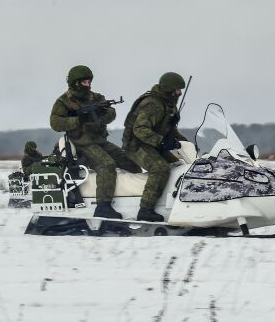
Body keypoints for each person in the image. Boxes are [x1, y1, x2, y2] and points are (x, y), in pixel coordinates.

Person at [50, 65, 141, 219]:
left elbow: (111, 114)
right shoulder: (64, 101)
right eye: (84, 82)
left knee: (130, 162)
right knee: (106, 164)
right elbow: (55, 123)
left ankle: (133, 197)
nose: (88, 84)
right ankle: (103, 207)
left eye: (89, 81)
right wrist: (78, 119)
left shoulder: (96, 98)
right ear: (75, 83)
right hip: (81, 143)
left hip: (99, 140)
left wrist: (101, 113)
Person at [122, 72, 188, 222]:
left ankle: (175, 204)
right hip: (136, 145)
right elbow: (139, 129)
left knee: (178, 165)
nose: (180, 93)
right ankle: (146, 210)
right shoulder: (153, 104)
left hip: (152, 144)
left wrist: (184, 142)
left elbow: (168, 127)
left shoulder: (169, 104)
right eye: (177, 90)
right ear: (169, 89)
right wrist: (162, 142)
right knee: (160, 168)